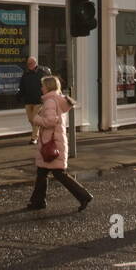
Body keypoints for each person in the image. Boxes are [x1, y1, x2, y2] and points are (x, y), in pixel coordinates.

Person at [25, 76, 93, 211]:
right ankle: (38, 201)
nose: (41, 88)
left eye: (43, 86)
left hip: (51, 143)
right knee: (42, 173)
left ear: (48, 87)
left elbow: (50, 122)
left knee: (59, 174)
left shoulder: (50, 101)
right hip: (55, 141)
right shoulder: (57, 99)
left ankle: (83, 196)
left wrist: (37, 119)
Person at [17, 56, 51, 144]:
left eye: (30, 63)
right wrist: (19, 95)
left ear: (35, 63)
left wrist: (45, 96)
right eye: (28, 63)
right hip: (28, 100)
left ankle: (34, 138)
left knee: (35, 118)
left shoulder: (42, 72)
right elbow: (22, 86)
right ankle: (40, 132)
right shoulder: (26, 73)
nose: (28, 65)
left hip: (39, 100)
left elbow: (48, 85)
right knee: (30, 119)